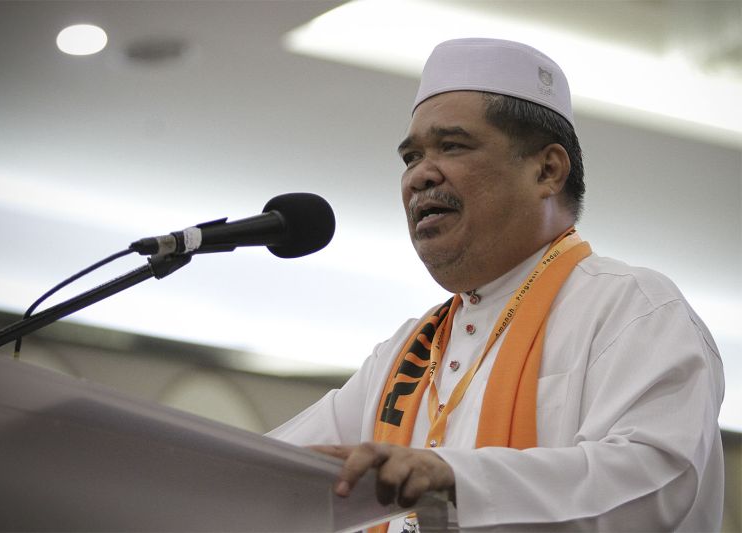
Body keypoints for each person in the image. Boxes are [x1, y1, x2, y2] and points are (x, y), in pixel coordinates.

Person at [267, 38, 725, 532]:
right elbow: (266, 473)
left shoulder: (628, 306)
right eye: (411, 157)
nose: (419, 176)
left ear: (547, 169)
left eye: (452, 146)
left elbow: (654, 484)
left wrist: (458, 481)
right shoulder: (405, 353)